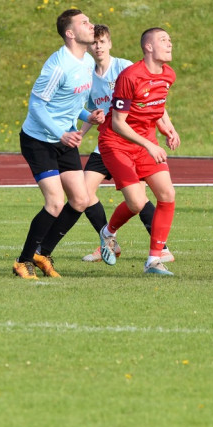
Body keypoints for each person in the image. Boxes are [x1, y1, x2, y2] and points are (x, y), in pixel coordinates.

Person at [12, 8, 104, 280]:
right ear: (70, 33)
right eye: (85, 23)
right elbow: (37, 106)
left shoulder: (87, 62)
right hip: (39, 140)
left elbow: (69, 104)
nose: (92, 25)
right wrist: (61, 133)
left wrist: (89, 115)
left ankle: (43, 253)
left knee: (81, 199)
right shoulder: (58, 65)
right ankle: (23, 261)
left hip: (64, 138)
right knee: (55, 203)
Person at [77, 24, 172, 263]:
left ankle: (160, 249)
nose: (98, 46)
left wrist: (165, 127)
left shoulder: (124, 68)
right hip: (110, 142)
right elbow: (95, 111)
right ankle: (108, 241)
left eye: (102, 42)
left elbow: (152, 99)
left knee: (146, 198)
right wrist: (81, 131)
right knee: (83, 194)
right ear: (89, 46)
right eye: (93, 43)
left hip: (137, 141)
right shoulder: (87, 75)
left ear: (109, 43)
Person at [96, 27, 181, 276]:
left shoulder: (168, 75)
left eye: (170, 39)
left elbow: (157, 105)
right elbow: (118, 123)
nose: (169, 43)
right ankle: (108, 233)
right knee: (136, 203)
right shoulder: (130, 76)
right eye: (163, 40)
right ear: (148, 47)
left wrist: (168, 130)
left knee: (167, 194)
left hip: (146, 142)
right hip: (117, 143)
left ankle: (153, 260)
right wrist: (149, 144)